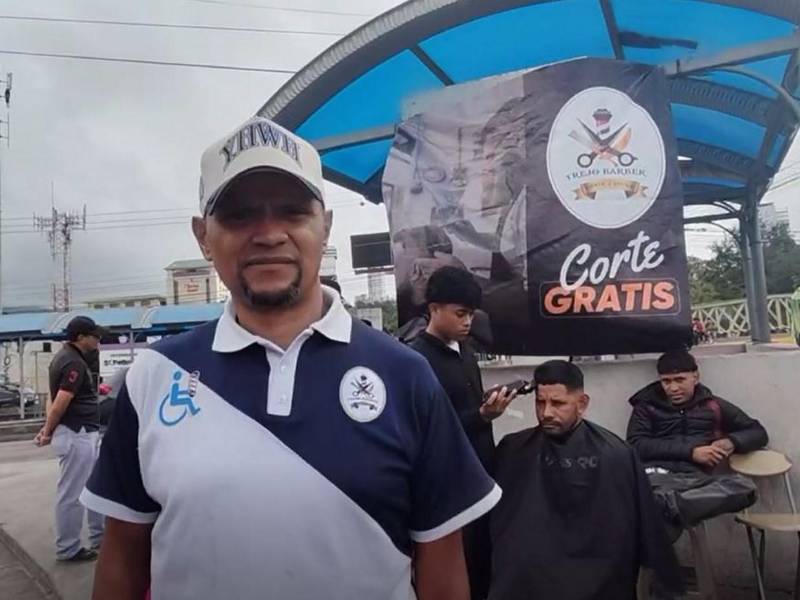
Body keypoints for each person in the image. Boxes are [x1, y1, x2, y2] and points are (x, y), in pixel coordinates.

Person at [80, 117, 500, 600]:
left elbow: (442, 565)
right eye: (239, 215)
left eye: (293, 211)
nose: (268, 234)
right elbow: (122, 557)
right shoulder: (154, 376)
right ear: (202, 236)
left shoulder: (406, 375)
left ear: (325, 226)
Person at [489, 360, 682, 600]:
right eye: (540, 402)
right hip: (529, 576)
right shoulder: (514, 448)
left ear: (582, 404)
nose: (546, 413)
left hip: (599, 574)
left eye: (558, 403)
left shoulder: (615, 454)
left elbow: (643, 526)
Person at [410, 266, 516, 600]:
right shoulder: (415, 360)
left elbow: (466, 407)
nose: (468, 322)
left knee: (485, 562)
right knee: (456, 571)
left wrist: (487, 407)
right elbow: (429, 428)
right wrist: (481, 416)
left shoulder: (466, 352)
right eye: (460, 314)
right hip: (446, 486)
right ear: (434, 309)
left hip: (480, 474)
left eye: (471, 314)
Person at [34, 316, 106, 562]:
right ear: (80, 337)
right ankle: (68, 547)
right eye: (94, 336)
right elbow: (61, 401)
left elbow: (51, 398)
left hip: (81, 431)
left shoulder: (64, 358)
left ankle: (99, 537)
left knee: (94, 487)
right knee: (72, 494)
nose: (98, 340)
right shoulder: (73, 362)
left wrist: (49, 428)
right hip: (77, 432)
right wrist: (47, 430)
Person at [627, 350, 768, 474]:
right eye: (666, 381)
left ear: (695, 378)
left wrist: (732, 442)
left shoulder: (713, 406)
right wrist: (691, 452)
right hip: (654, 475)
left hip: (698, 479)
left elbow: (758, 432)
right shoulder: (647, 406)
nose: (673, 388)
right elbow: (635, 444)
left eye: (680, 380)